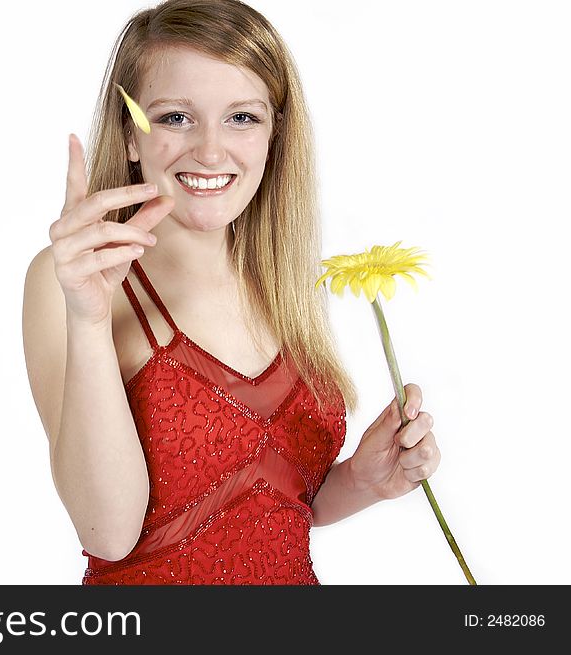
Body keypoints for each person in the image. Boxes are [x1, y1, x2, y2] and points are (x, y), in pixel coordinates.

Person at [22, 0, 440, 584]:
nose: (211, 151)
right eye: (175, 118)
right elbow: (109, 534)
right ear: (131, 135)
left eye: (242, 117)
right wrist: (89, 319)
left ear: (275, 135)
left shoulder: (283, 278)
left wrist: (363, 483)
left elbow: (275, 503)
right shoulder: (72, 278)